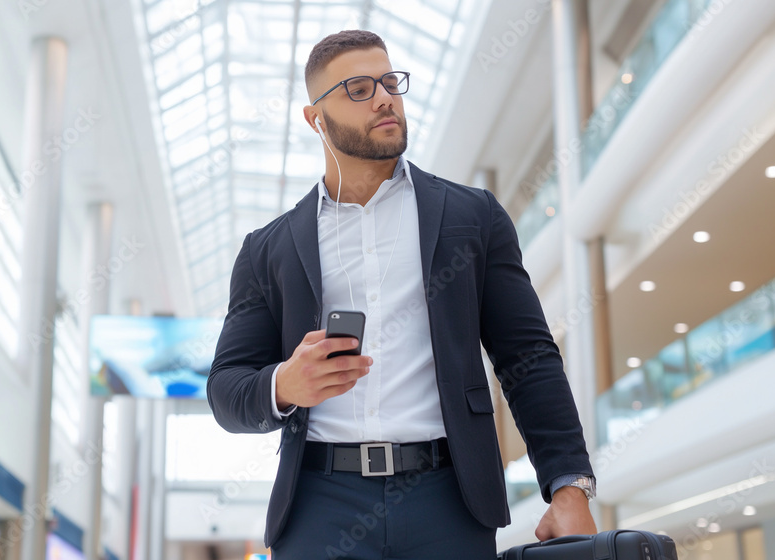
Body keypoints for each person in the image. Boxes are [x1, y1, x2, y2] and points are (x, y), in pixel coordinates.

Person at [207, 29, 597, 559]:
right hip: (320, 505)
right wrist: (285, 384)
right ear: (315, 118)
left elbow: (528, 357)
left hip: (448, 501)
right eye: (359, 89)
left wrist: (569, 486)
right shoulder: (266, 249)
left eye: (390, 81)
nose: (385, 97)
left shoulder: (472, 217)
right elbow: (226, 391)